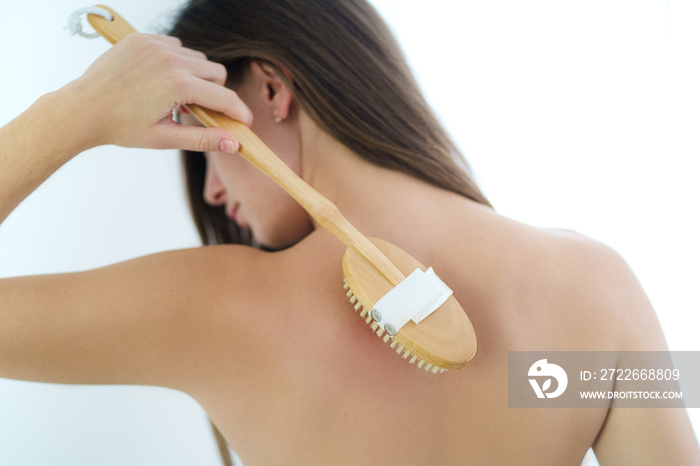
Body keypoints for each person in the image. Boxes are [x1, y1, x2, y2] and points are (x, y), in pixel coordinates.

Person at [0, 0, 698, 464]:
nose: (211, 189)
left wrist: (71, 115)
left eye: (196, 134)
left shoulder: (221, 308)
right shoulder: (598, 287)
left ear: (271, 89)